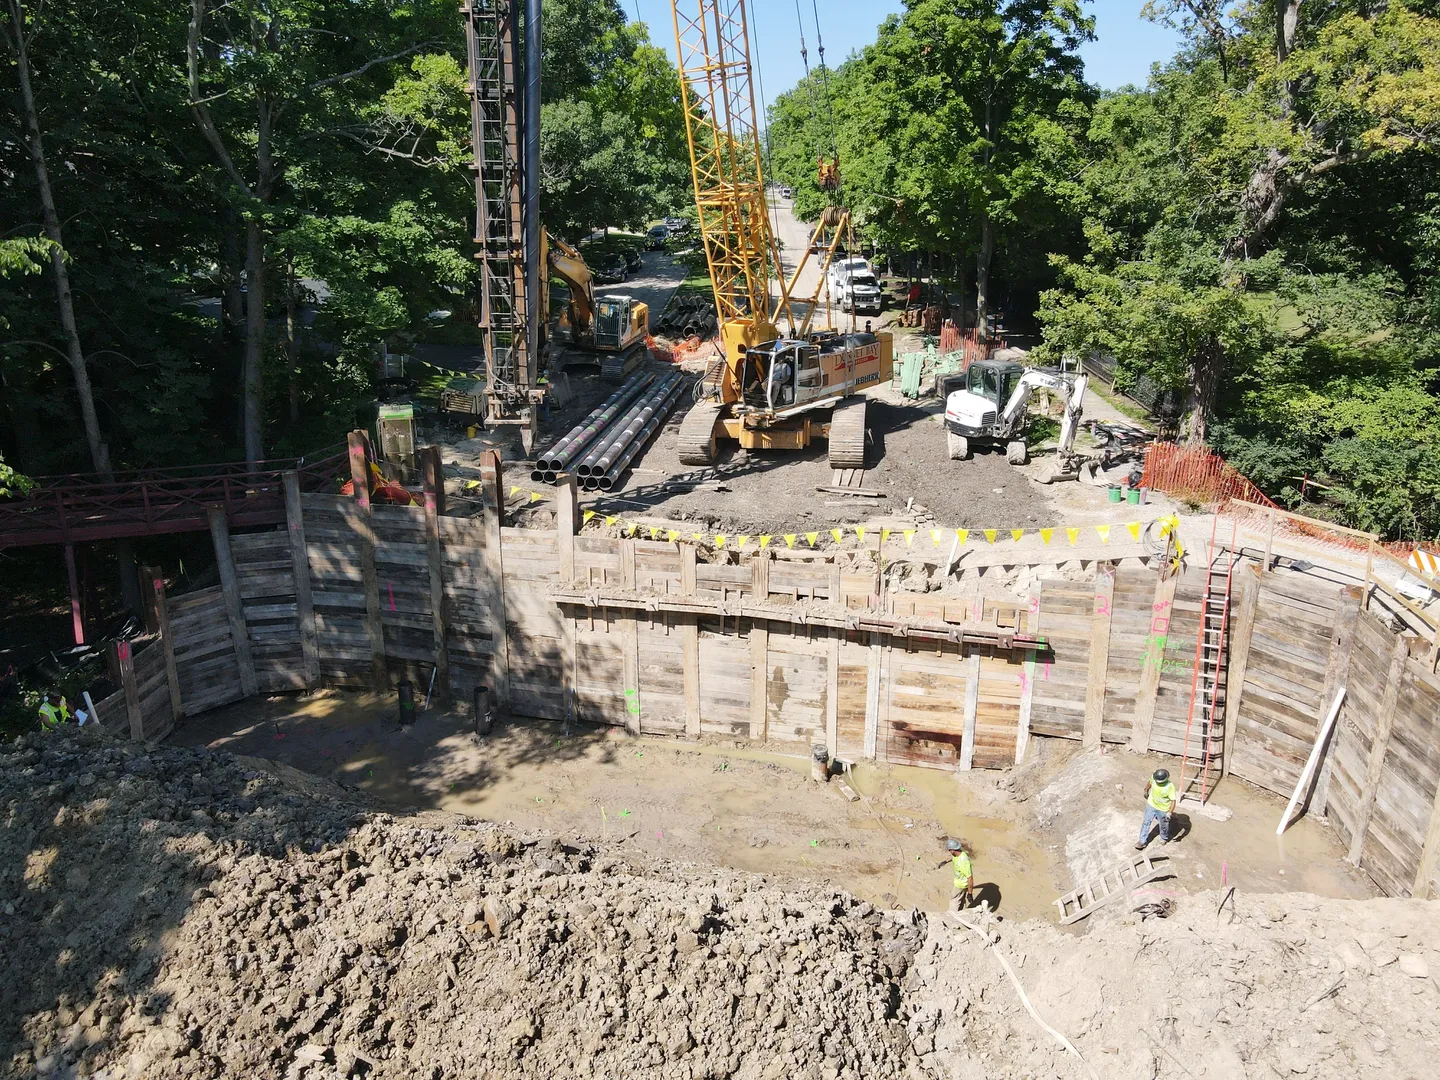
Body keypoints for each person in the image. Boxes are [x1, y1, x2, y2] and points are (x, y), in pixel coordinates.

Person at [1136, 768, 1178, 849]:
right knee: (1146, 822)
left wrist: (1170, 812)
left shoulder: (1170, 786)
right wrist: (1146, 789)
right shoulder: (1154, 777)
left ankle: (1163, 838)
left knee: (1163, 825)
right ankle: (1142, 841)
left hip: (1163, 809)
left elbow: (1173, 801)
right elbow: (1150, 782)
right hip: (1151, 805)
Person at [944, 838, 973, 910]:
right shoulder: (959, 852)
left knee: (953, 900)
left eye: (949, 850)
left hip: (960, 884)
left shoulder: (964, 861)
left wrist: (970, 893)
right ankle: (961, 911)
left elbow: (970, 878)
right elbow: (953, 857)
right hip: (960, 882)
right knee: (961, 900)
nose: (949, 852)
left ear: (953, 850)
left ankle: (953, 915)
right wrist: (946, 861)